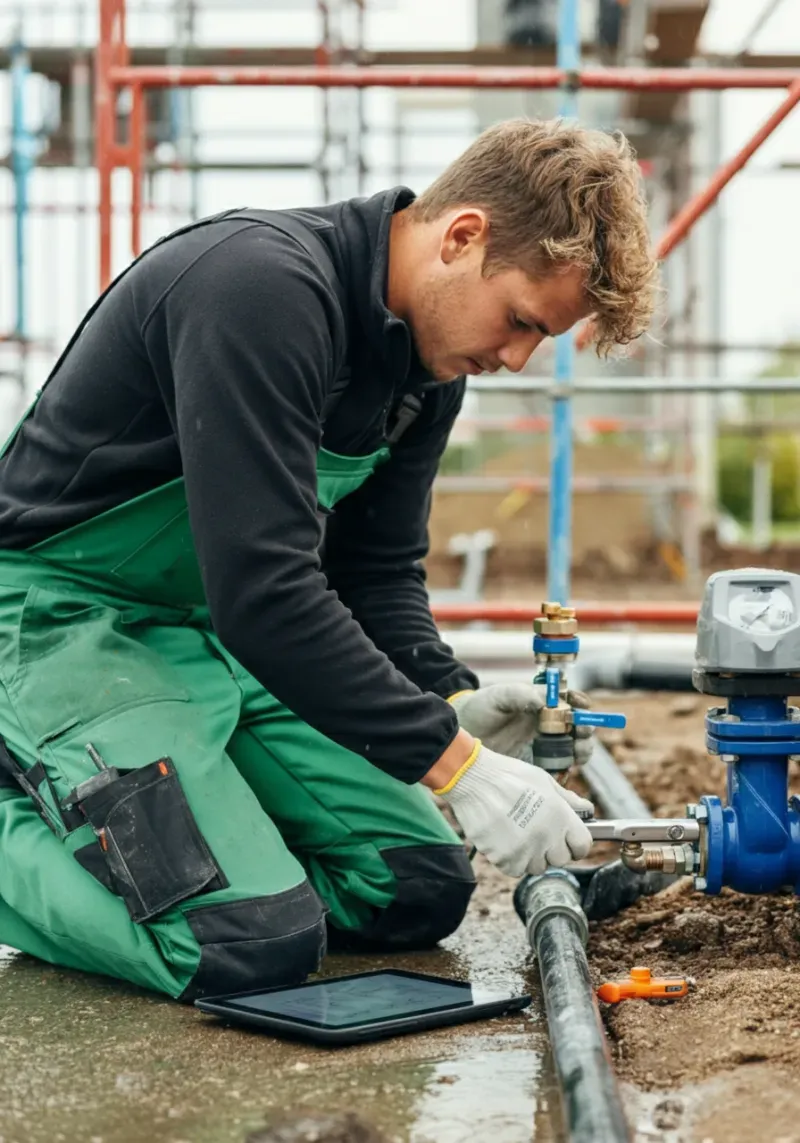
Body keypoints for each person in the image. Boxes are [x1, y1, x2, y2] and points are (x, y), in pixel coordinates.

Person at [0, 118, 657, 1001]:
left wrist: (446, 699)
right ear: (463, 236)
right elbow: (267, 592)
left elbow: (375, 572)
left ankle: (173, 831)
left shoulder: (424, 374)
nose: (514, 358)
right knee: (244, 943)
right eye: (519, 321)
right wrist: (451, 765)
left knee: (414, 884)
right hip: (55, 621)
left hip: (207, 631)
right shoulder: (257, 288)